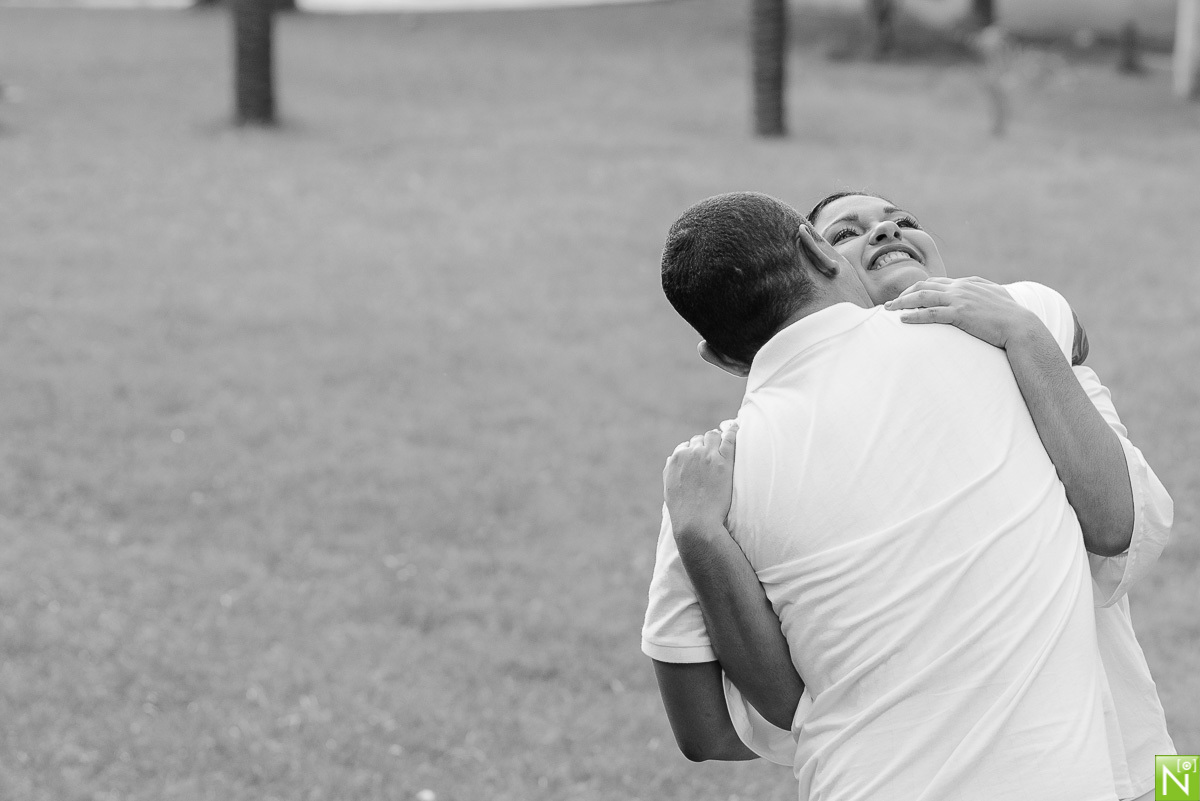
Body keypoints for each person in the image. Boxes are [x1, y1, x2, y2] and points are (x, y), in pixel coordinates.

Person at [644, 191, 1173, 801]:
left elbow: (1133, 525)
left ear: (720, 356)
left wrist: (835, 713)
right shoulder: (1013, 327)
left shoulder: (710, 480)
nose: (886, 233)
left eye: (904, 221)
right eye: (846, 232)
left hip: (1146, 761)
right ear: (819, 255)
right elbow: (1128, 532)